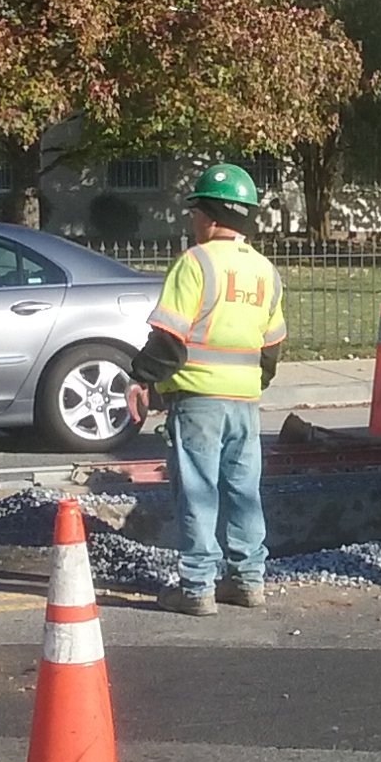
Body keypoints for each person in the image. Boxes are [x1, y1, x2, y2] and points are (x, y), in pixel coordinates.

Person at [125, 164, 285, 616]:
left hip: (198, 401)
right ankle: (248, 581)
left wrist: (141, 377)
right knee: (243, 490)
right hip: (244, 402)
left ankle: (197, 587)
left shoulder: (194, 263)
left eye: (196, 211)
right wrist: (252, 383)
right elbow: (271, 346)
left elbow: (170, 339)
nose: (192, 220)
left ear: (211, 216)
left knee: (197, 490)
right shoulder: (264, 270)